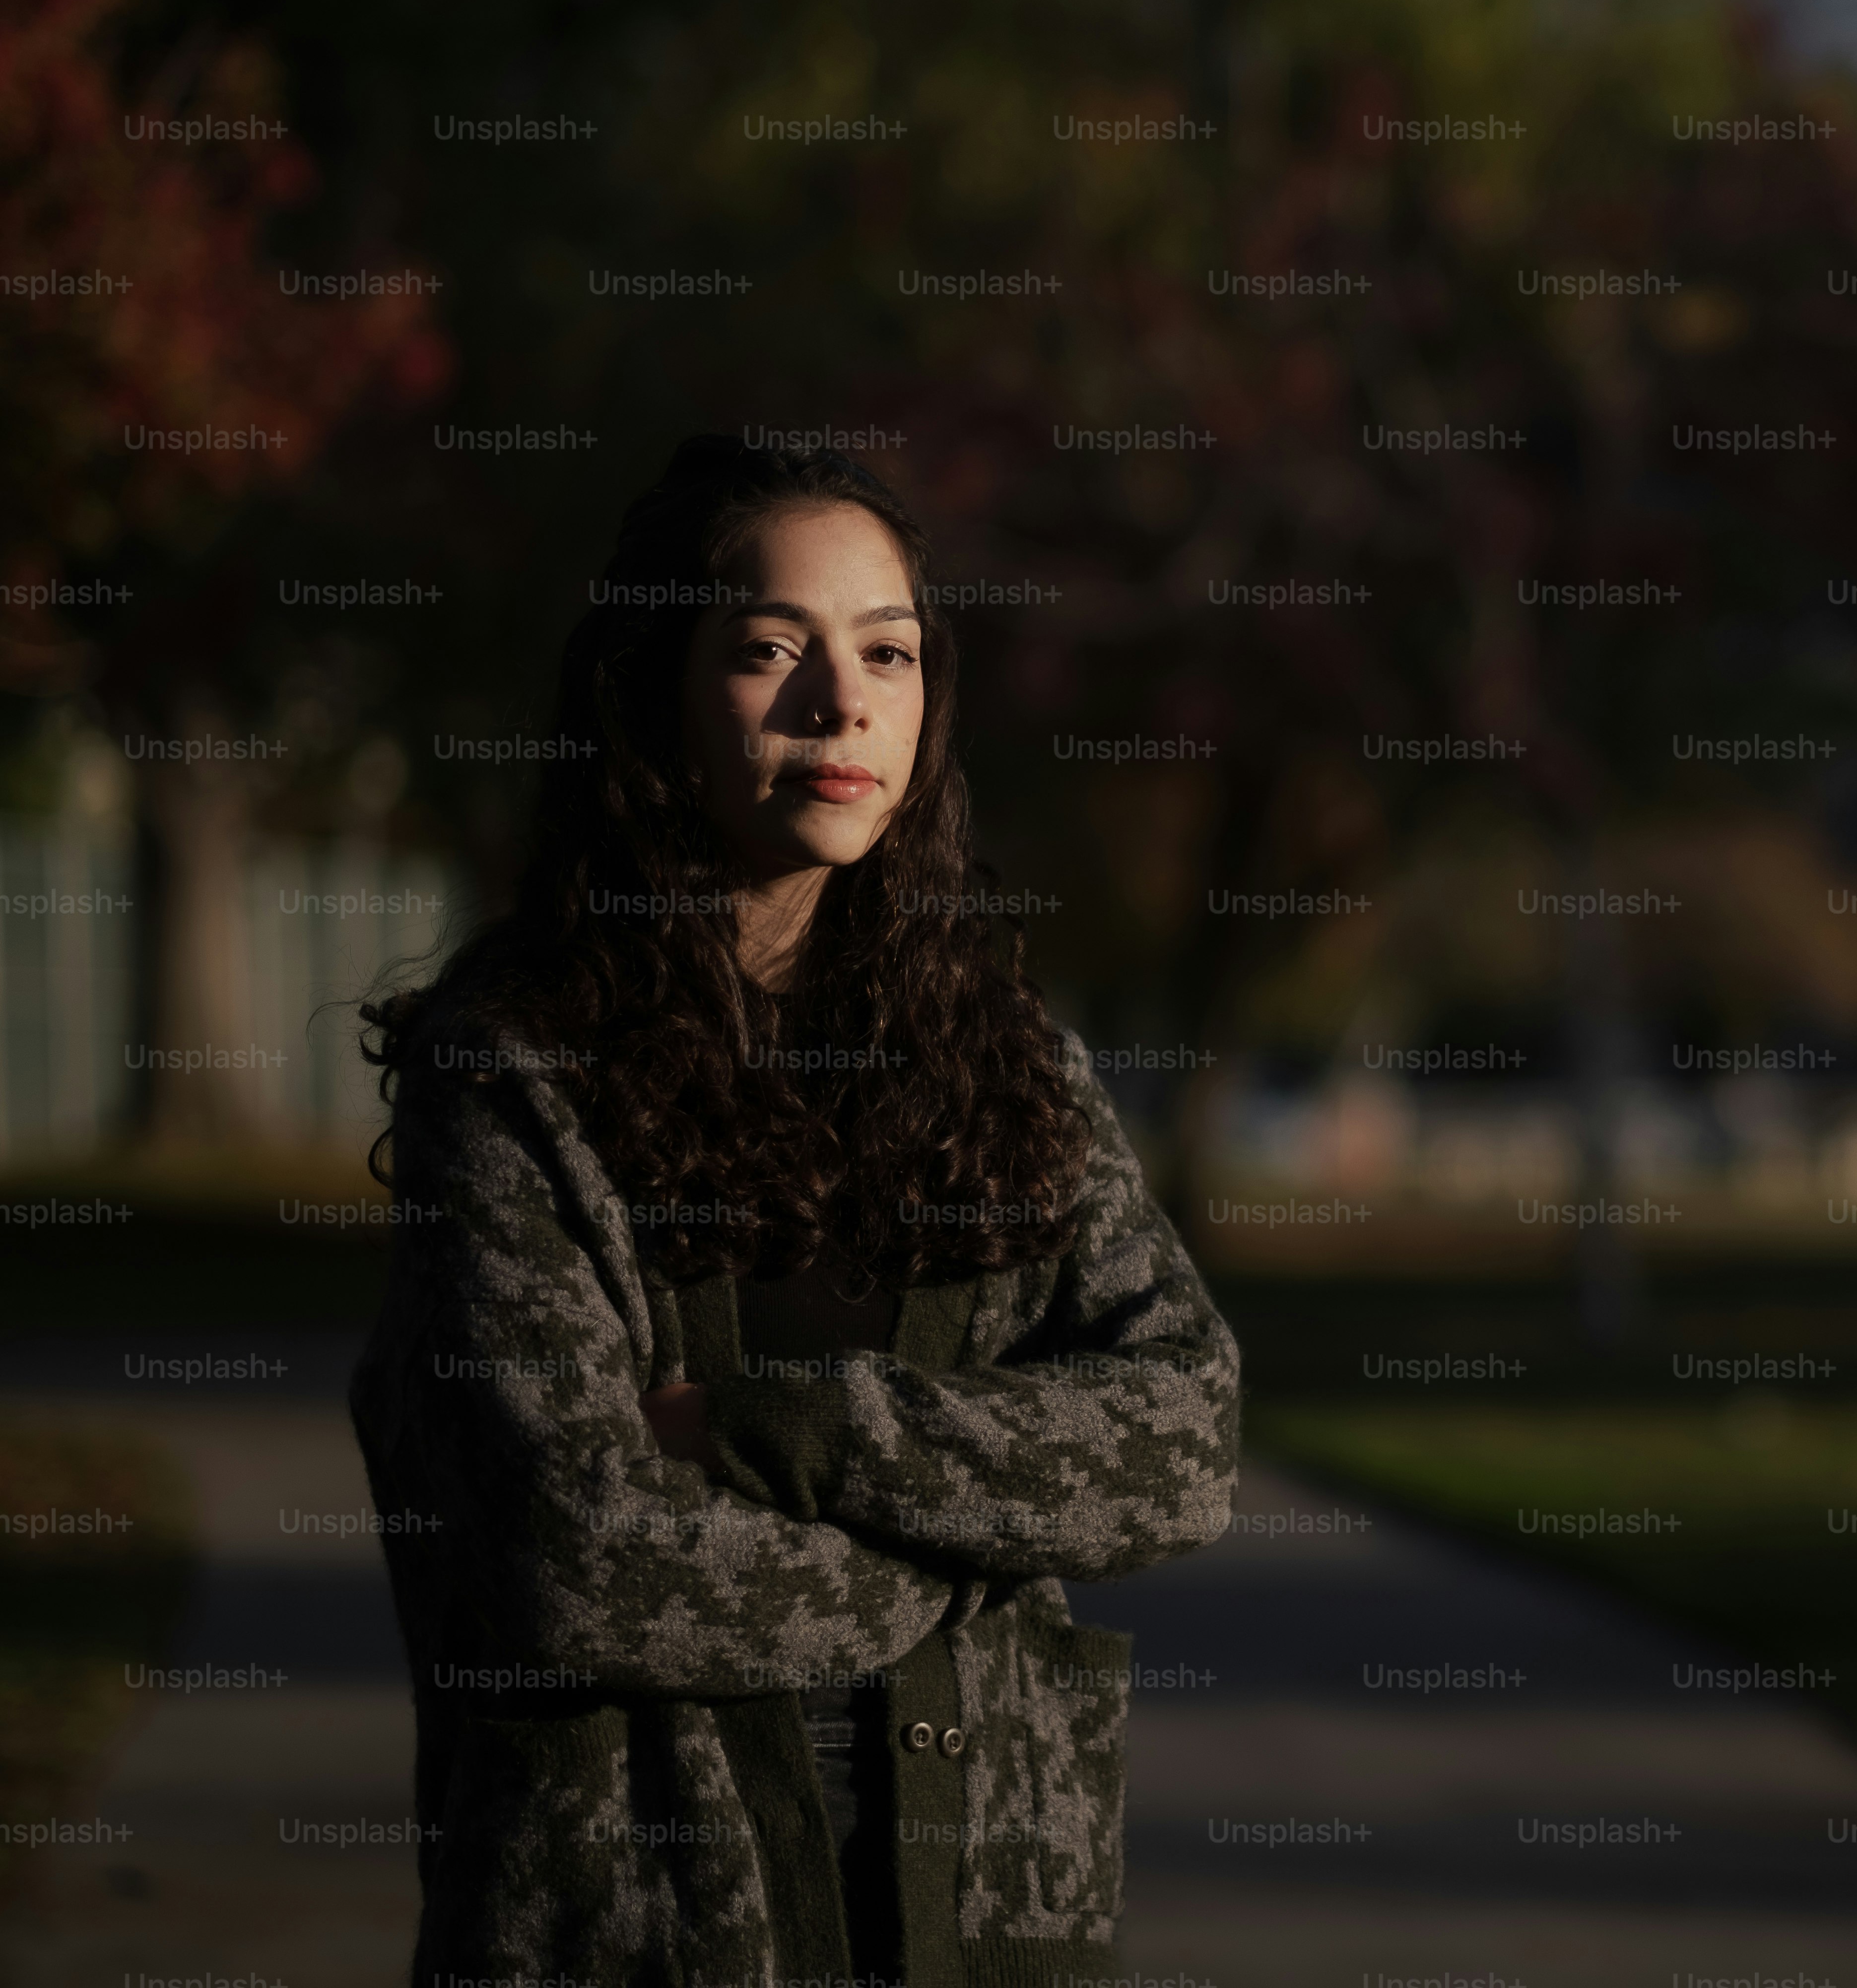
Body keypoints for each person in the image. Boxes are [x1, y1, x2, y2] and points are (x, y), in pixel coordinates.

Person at [348, 436, 1240, 1988]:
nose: (842, 705)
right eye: (772, 651)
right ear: (651, 692)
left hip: (987, 1935)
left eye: (887, 654)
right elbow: (594, 1564)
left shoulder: (1002, 1056)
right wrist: (979, 1551)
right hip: (653, 1936)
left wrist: (813, 1436)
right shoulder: (513, 1068)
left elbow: (1181, 1437)